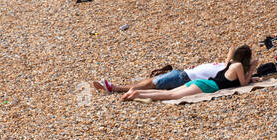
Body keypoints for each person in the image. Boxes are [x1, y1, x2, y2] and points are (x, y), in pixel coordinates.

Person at [122, 45, 253, 101]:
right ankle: (137, 94)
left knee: (169, 93)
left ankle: (137, 92)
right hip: (207, 86)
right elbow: (243, 83)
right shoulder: (238, 66)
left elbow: (231, 49)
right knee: (172, 96)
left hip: (201, 82)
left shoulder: (228, 65)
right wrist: (252, 68)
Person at [96, 52, 240, 95]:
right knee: (149, 82)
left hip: (183, 78)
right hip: (183, 73)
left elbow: (230, 53)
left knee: (151, 83)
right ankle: (116, 87)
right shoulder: (224, 66)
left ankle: (114, 88)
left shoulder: (228, 68)